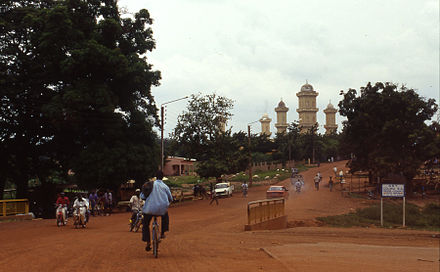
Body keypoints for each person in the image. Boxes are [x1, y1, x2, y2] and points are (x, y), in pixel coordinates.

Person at [140, 171, 173, 252]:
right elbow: (171, 198)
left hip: (149, 209)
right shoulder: (165, 186)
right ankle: (162, 233)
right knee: (165, 216)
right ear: (162, 177)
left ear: (155, 177)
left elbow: (142, 196)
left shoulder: (149, 185)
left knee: (145, 224)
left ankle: (148, 242)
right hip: (162, 209)